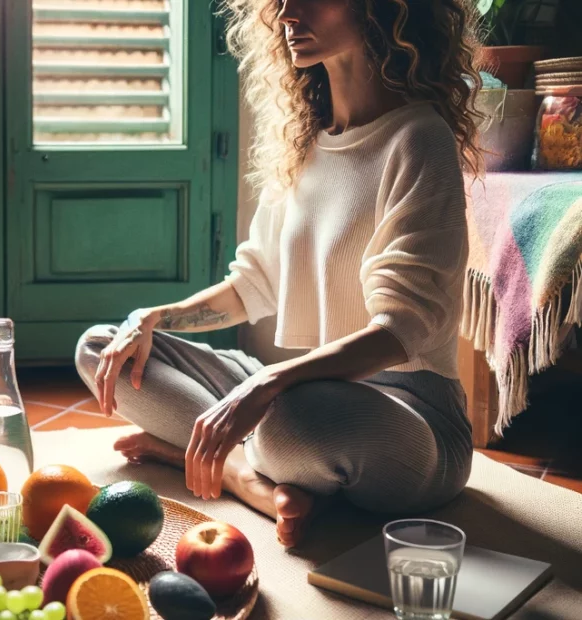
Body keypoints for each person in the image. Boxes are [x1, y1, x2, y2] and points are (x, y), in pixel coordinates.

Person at [75, 0, 484, 548]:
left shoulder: (418, 139)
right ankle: (246, 475)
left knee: (289, 417)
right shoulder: (305, 144)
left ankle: (219, 459)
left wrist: (267, 383)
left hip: (413, 421)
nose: (288, 13)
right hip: (303, 388)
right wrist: (151, 318)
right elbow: (254, 284)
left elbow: (401, 331)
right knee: (104, 348)